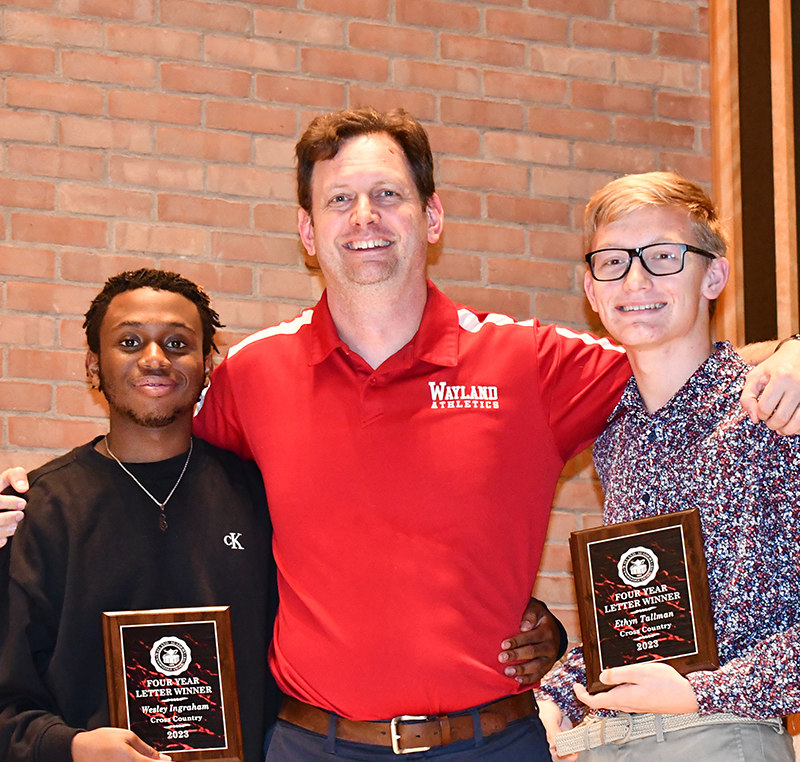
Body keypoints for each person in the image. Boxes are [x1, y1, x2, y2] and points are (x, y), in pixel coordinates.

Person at [2, 109, 800, 761]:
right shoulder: (253, 374)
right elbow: (147, 456)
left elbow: (677, 356)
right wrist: (24, 500)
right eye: (339, 201)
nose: (366, 219)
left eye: (388, 195)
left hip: (494, 741)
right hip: (313, 743)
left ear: (433, 215)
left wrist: (793, 354)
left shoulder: (530, 360)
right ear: (308, 232)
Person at [535, 172, 799, 761]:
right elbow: (643, 615)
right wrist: (557, 697)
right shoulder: (614, 433)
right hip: (606, 741)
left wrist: (698, 692)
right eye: (613, 262)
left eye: (662, 257)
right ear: (592, 290)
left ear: (714, 275)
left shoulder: (778, 406)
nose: (636, 279)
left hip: (720, 737)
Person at [0, 269, 280, 762]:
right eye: (130, 341)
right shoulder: (38, 510)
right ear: (93, 366)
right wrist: (72, 748)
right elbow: (8, 694)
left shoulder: (264, 496)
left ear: (207, 365)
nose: (155, 359)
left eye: (177, 343)